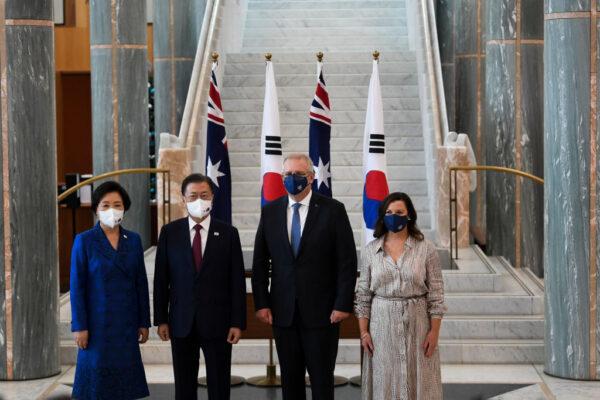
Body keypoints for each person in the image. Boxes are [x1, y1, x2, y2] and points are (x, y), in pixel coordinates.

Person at [252, 153, 357, 400]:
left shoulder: (334, 210)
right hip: (283, 313)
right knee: (290, 381)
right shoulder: (270, 212)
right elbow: (260, 263)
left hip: (323, 314)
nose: (291, 179)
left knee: (322, 381)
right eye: (286, 175)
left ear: (310, 177)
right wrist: (262, 303)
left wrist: (342, 304)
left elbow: (346, 262)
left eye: (298, 175)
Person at [153, 173, 246, 400]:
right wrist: (161, 319)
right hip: (181, 321)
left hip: (219, 323)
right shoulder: (169, 233)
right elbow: (161, 280)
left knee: (219, 385)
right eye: (193, 195)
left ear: (212, 197)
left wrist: (237, 322)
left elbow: (237, 282)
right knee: (184, 387)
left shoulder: (228, 233)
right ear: (183, 199)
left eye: (204, 195)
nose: (198, 200)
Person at [355, 192, 446, 400]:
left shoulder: (426, 249)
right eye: (388, 212)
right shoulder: (371, 251)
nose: (393, 216)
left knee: (420, 380)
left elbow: (437, 294)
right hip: (381, 326)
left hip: (418, 325)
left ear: (409, 216)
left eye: (399, 212)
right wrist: (364, 332)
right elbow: (363, 296)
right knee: (385, 380)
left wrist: (434, 332)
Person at [70, 181, 151, 400]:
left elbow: (140, 283)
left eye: (117, 204)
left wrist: (144, 321)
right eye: (105, 205)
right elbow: (77, 287)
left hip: (126, 326)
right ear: (96, 209)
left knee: (125, 388)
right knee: (96, 389)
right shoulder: (84, 240)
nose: (111, 210)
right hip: (96, 327)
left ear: (125, 208)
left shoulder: (133, 240)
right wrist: (79, 326)